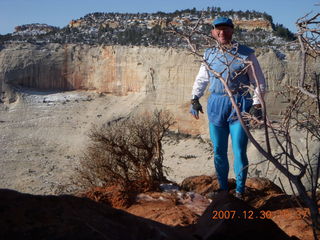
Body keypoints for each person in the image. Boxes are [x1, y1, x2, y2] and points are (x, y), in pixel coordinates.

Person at [190, 17, 266, 199]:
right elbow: (202, 79)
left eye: (226, 29)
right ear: (213, 33)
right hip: (216, 104)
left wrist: (257, 103)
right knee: (218, 150)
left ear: (232, 31)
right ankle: (223, 190)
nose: (222, 33)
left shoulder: (246, 54)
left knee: (239, 150)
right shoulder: (209, 55)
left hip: (240, 104)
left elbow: (259, 81)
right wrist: (194, 98)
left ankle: (239, 191)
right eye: (219, 30)